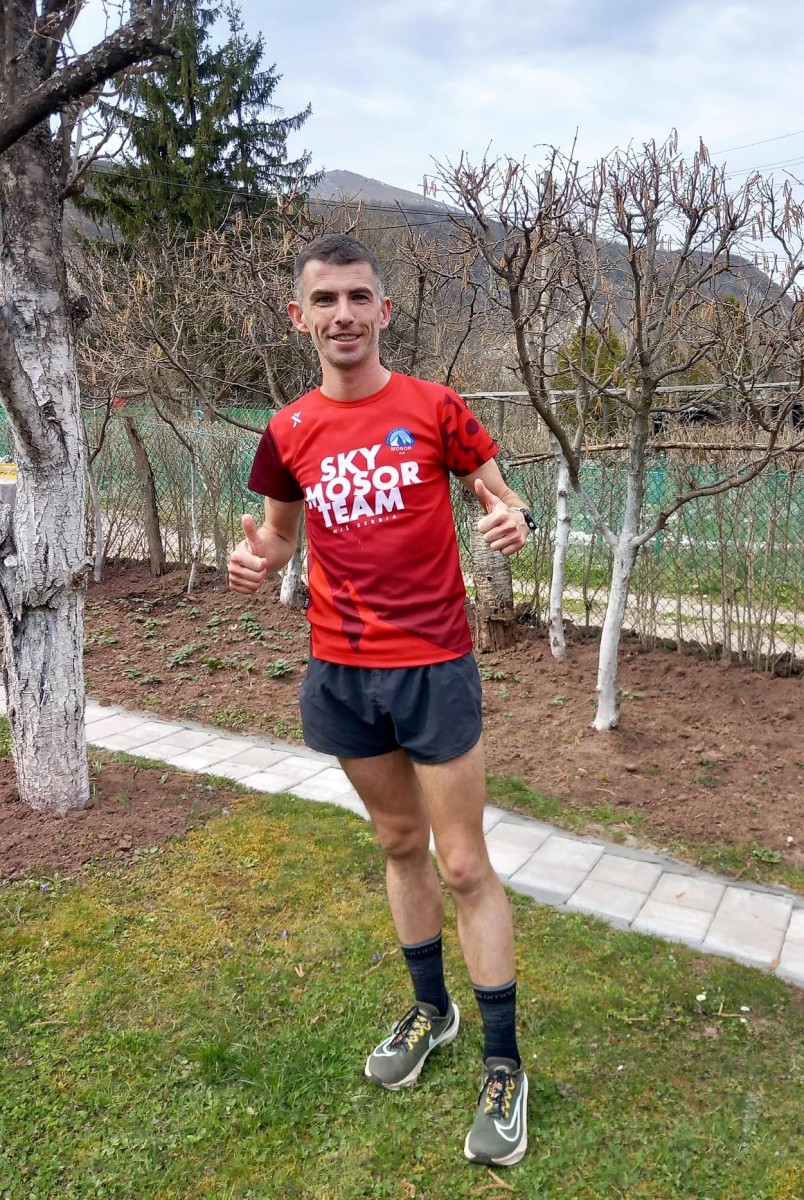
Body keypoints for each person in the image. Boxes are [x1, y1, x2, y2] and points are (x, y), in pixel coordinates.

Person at [228, 234, 535, 1167]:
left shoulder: (435, 408)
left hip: (434, 666)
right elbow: (280, 536)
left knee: (465, 865)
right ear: (300, 317)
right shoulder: (287, 430)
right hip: (341, 671)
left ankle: (504, 1064)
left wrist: (511, 516)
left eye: (359, 297)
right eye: (326, 300)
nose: (344, 315)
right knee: (400, 845)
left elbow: (500, 495)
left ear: (384, 311)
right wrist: (255, 558)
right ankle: (430, 1012)